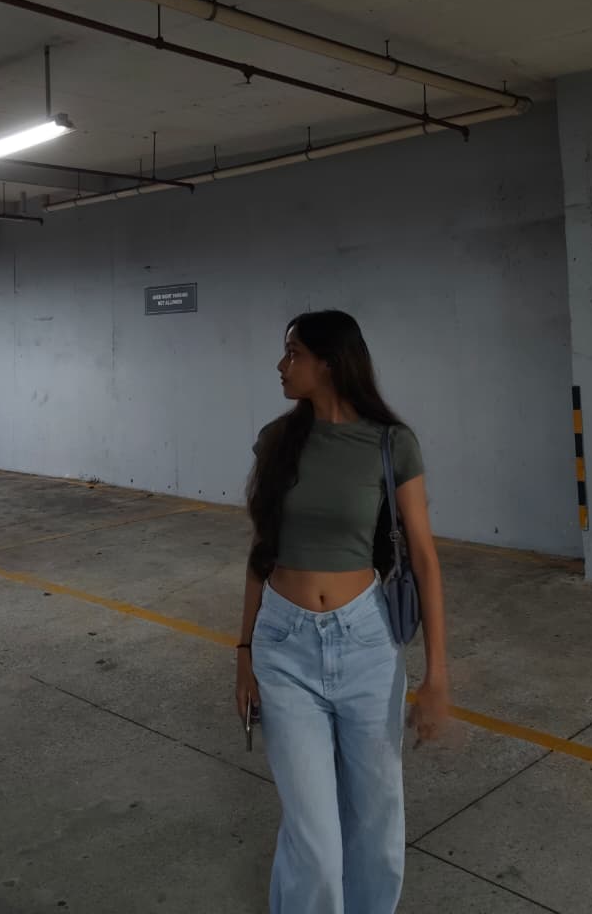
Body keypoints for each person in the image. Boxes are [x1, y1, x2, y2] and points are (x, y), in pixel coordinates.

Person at [235, 310, 450, 914]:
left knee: (376, 826)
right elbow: (260, 551)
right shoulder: (277, 441)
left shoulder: (389, 443)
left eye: (293, 353)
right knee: (315, 841)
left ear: (329, 363)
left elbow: (425, 558)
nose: (281, 365)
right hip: (284, 647)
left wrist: (437, 676)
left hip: (366, 645)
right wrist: (243, 651)